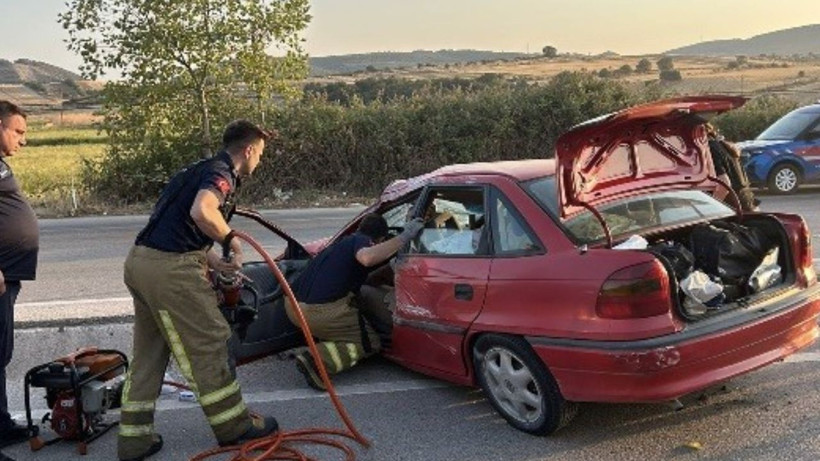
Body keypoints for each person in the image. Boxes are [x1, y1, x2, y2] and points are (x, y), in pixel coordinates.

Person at [118, 120, 276, 461]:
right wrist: (231, 241)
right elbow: (202, 211)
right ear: (248, 150)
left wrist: (211, 261)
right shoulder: (222, 174)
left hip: (140, 263)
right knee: (210, 341)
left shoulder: (196, 169)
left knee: (149, 353)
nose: (259, 161)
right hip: (169, 272)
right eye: (260, 154)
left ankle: (133, 441)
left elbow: (174, 224)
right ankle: (234, 428)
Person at [285, 213, 423, 391]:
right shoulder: (361, 241)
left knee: (355, 303)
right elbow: (367, 258)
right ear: (379, 239)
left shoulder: (341, 244)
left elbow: (368, 276)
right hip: (319, 312)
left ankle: (318, 345)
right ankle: (318, 360)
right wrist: (404, 237)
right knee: (369, 343)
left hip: (292, 307)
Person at [0, 100, 36, 449]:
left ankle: (2, 424)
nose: (22, 140)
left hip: (7, 276)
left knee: (0, 353)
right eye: (18, 131)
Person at [706, 124, 759, 212]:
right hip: (747, 202)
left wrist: (709, 211)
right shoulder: (721, 146)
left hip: (734, 209)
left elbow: (724, 185)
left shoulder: (710, 149)